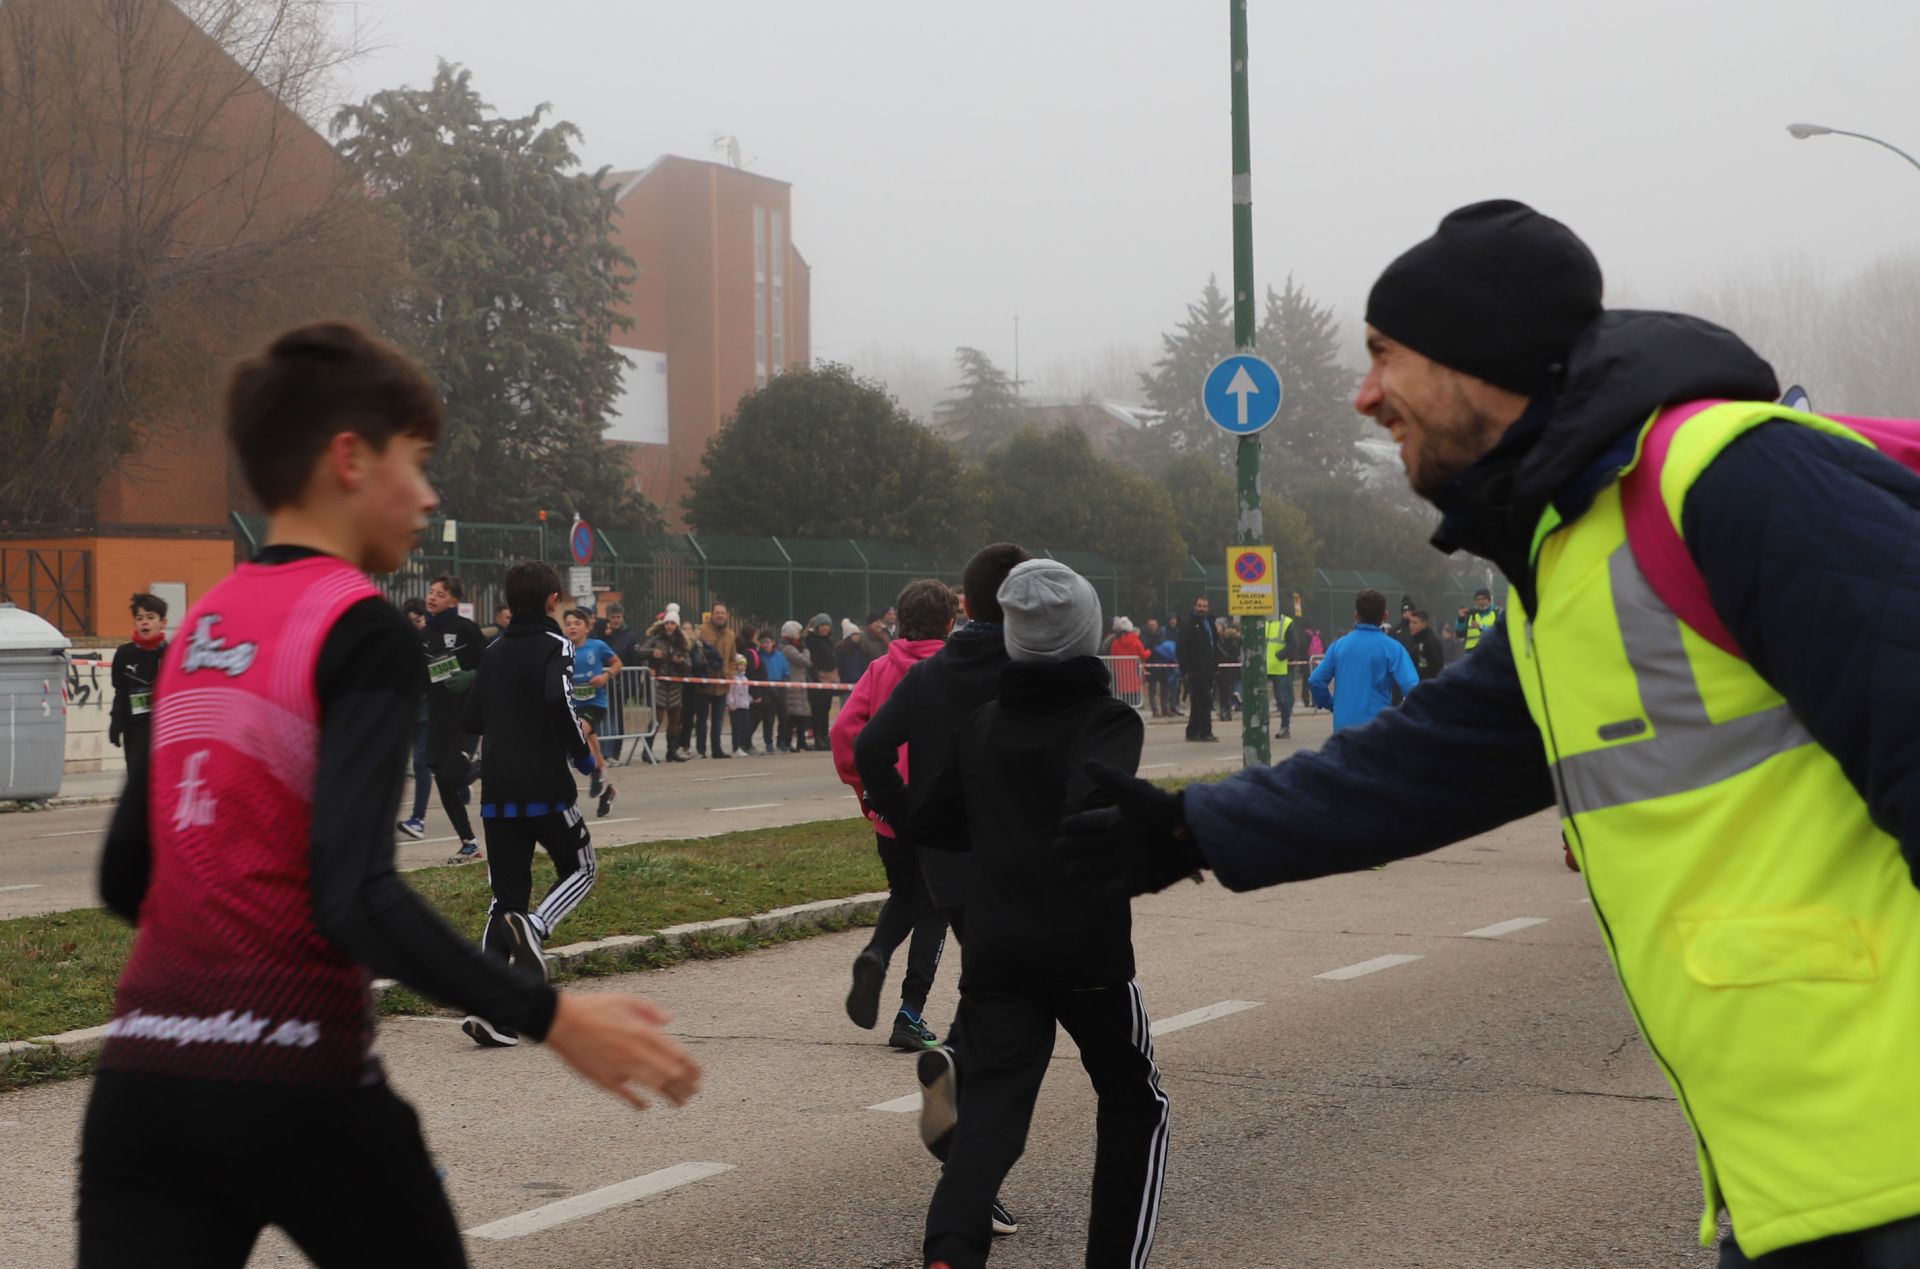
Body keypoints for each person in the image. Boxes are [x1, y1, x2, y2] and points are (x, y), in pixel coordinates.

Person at [1059, 199, 1920, 1267]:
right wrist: (1189, 832)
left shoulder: (1732, 475)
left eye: (1384, 356)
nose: (1364, 395)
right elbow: (1430, 762)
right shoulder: (1569, 556)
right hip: (1805, 1179)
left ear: (1480, 359)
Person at [81, 321, 698, 1269]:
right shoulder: (357, 625)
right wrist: (550, 1014)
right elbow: (354, 890)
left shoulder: (200, 625)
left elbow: (128, 874)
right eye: (416, 462)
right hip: (298, 1080)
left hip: (141, 1085)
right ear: (349, 459)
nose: (429, 493)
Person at [913, 559, 1165, 1269]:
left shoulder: (982, 724)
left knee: (989, 1114)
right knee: (1134, 1100)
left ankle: (949, 1255)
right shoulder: (1108, 718)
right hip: (1085, 949)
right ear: (1088, 632)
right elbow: (1097, 806)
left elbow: (932, 815)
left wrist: (1000, 834)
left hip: (996, 950)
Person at [855, 543, 1032, 1243]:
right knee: (1018, 1015)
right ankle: (969, 1146)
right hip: (1017, 864)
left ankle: (959, 1067)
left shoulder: (931, 674)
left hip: (947, 865)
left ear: (967, 601)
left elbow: (870, 749)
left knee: (995, 984)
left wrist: (912, 821)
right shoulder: (1028, 673)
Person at [460, 562, 603, 1047]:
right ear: (551, 601)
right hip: (545, 786)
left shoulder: (495, 650)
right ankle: (536, 926)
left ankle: (488, 1010)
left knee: (504, 898)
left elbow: (472, 714)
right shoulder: (556, 645)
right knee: (581, 868)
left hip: (497, 792)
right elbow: (559, 703)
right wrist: (583, 758)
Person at [834, 580, 959, 1052]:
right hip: (941, 810)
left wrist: (866, 791)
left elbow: (846, 730)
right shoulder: (955, 669)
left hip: (889, 808)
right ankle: (910, 1013)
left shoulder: (880, 667)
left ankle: (876, 954)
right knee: (936, 908)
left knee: (905, 893)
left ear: (898, 622)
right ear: (950, 623)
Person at [420, 574, 485, 861]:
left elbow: (491, 665)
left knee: (450, 775)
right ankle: (469, 843)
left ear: (454, 601)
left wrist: (471, 677)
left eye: (440, 594)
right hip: (437, 719)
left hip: (465, 717)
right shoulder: (424, 635)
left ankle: (485, 764)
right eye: (431, 592)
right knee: (443, 780)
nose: (432, 597)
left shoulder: (466, 629)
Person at [1308, 589, 1418, 731]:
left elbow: (1315, 680)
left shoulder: (1339, 646)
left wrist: (1331, 704)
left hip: (1343, 731)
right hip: (1377, 731)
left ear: (1356, 615)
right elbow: (1412, 686)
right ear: (1385, 615)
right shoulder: (1393, 648)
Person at [561, 607, 620, 816]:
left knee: (579, 731)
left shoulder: (598, 646)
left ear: (586, 627)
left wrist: (605, 676)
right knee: (589, 739)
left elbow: (617, 663)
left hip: (596, 703)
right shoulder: (563, 649)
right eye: (568, 624)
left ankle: (594, 773)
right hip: (573, 704)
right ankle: (605, 786)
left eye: (577, 623)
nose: (572, 627)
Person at [108, 592, 169, 787]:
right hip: (136, 731)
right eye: (140, 618)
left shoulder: (173, 653)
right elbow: (120, 692)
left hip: (165, 730)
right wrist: (116, 723)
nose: (145, 623)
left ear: (162, 622)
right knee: (138, 783)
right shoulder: (124, 655)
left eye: (151, 618)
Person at [397, 598, 434, 838]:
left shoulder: (433, 641)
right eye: (410, 622)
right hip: (408, 714)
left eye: (419, 621)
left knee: (421, 762)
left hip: (430, 714)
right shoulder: (400, 644)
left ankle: (418, 819)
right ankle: (465, 781)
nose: (415, 626)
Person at [642, 610, 693, 763]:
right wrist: (653, 652)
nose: (669, 626)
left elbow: (689, 665)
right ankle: (647, 751)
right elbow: (640, 651)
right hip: (660, 685)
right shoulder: (656, 639)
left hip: (675, 686)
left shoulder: (682, 643)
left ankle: (671, 751)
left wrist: (681, 662)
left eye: (672, 623)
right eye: (667, 623)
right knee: (657, 718)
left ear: (677, 626)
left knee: (675, 720)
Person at [690, 603, 737, 759]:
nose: (720, 615)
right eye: (717, 612)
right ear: (711, 614)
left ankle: (717, 749)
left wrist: (730, 674)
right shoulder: (702, 631)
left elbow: (732, 658)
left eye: (722, 613)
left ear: (727, 615)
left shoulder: (731, 634)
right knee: (702, 719)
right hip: (705, 682)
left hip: (722, 684)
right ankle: (701, 750)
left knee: (718, 720)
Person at [596, 603, 642, 762]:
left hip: (620, 684)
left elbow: (635, 660)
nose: (616, 620)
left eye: (619, 617)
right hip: (603, 682)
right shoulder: (601, 633)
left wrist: (632, 687)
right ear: (608, 617)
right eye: (613, 617)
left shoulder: (629, 635)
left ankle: (615, 751)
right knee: (602, 717)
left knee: (617, 718)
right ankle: (603, 751)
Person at [1176, 599, 1219, 741]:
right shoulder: (1188, 624)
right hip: (1196, 669)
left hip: (1208, 668)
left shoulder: (1210, 623)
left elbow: (1214, 645)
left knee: (1200, 702)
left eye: (1205, 606)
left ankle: (1193, 731)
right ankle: (1205, 731)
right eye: (1200, 606)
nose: (1202, 609)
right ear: (1195, 606)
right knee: (1204, 701)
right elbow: (1182, 648)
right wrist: (1186, 671)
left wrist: (1215, 665)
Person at [782, 620, 819, 751]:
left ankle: (801, 742)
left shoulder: (797, 647)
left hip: (800, 685)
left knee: (802, 716)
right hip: (793, 686)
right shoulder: (788, 649)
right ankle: (786, 742)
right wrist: (806, 650)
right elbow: (805, 661)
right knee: (793, 715)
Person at [804, 613, 839, 746]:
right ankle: (818, 736)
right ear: (817, 627)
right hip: (818, 678)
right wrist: (816, 677)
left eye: (827, 625)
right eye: (822, 625)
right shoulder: (811, 641)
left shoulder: (828, 641)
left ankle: (825, 735)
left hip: (829, 678)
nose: (825, 628)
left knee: (826, 707)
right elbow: (811, 661)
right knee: (818, 708)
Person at [1265, 609, 1300, 741]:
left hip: (1279, 666)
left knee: (1282, 699)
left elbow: (1293, 643)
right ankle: (1256, 727)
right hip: (1261, 666)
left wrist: (1281, 655)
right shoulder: (1261, 620)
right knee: (1256, 698)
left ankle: (1285, 727)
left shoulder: (1286, 622)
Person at [752, 630, 788, 752]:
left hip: (780, 688)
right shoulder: (759, 656)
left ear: (773, 642)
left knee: (783, 716)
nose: (765, 645)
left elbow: (786, 672)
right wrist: (770, 688)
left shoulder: (780, 656)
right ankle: (768, 742)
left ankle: (781, 741)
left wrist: (782, 685)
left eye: (768, 642)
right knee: (768, 718)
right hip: (767, 689)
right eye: (763, 642)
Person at [1454, 586, 1500, 652]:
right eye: (1477, 599)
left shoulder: (1496, 614)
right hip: (1471, 653)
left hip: (1490, 652)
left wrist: (1481, 627)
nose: (1480, 601)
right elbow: (1459, 634)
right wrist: (1460, 619)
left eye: (1483, 599)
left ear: (1489, 600)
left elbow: (1499, 632)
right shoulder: (1469, 614)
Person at [726, 655, 756, 756]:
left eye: (744, 665)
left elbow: (746, 693)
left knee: (745, 727)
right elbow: (729, 692)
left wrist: (751, 699)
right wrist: (730, 703)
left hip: (745, 706)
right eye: (739, 665)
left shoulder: (745, 678)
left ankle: (743, 745)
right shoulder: (733, 678)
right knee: (736, 728)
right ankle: (736, 748)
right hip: (736, 707)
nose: (742, 667)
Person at [1404, 609, 1445, 681]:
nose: (1411, 625)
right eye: (1410, 622)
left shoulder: (1430, 641)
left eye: (1414, 623)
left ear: (1424, 624)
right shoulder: (1415, 640)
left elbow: (1437, 666)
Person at [1215, 620, 1242, 723]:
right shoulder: (1216, 639)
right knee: (1222, 692)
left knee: (1227, 691)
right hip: (1220, 669)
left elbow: (1233, 653)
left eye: (1219, 626)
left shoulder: (1229, 639)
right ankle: (1224, 710)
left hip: (1229, 669)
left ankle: (1227, 710)